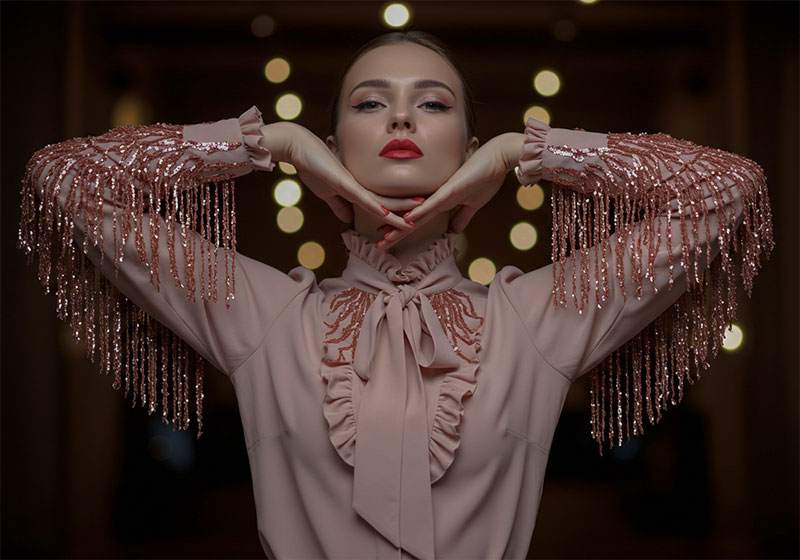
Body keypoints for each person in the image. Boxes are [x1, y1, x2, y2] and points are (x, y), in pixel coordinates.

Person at [19, 30, 773, 560]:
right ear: (335, 142)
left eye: (434, 104)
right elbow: (62, 179)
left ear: (467, 150)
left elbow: (730, 190)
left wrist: (525, 153)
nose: (403, 117)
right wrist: (270, 143)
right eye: (370, 103)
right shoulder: (261, 313)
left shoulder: (534, 319)